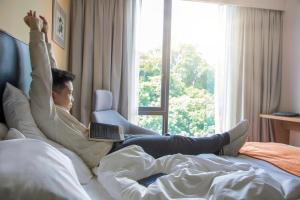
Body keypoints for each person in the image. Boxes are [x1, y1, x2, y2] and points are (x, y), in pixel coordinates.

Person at [24, 11, 249, 168]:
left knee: (169, 138)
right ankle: (222, 142)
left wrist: (45, 35)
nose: (72, 99)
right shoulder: (46, 112)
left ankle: (220, 146)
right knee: (173, 143)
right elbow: (42, 74)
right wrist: (34, 31)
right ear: (52, 94)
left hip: (111, 142)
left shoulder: (54, 108)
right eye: (69, 93)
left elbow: (50, 72)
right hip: (110, 152)